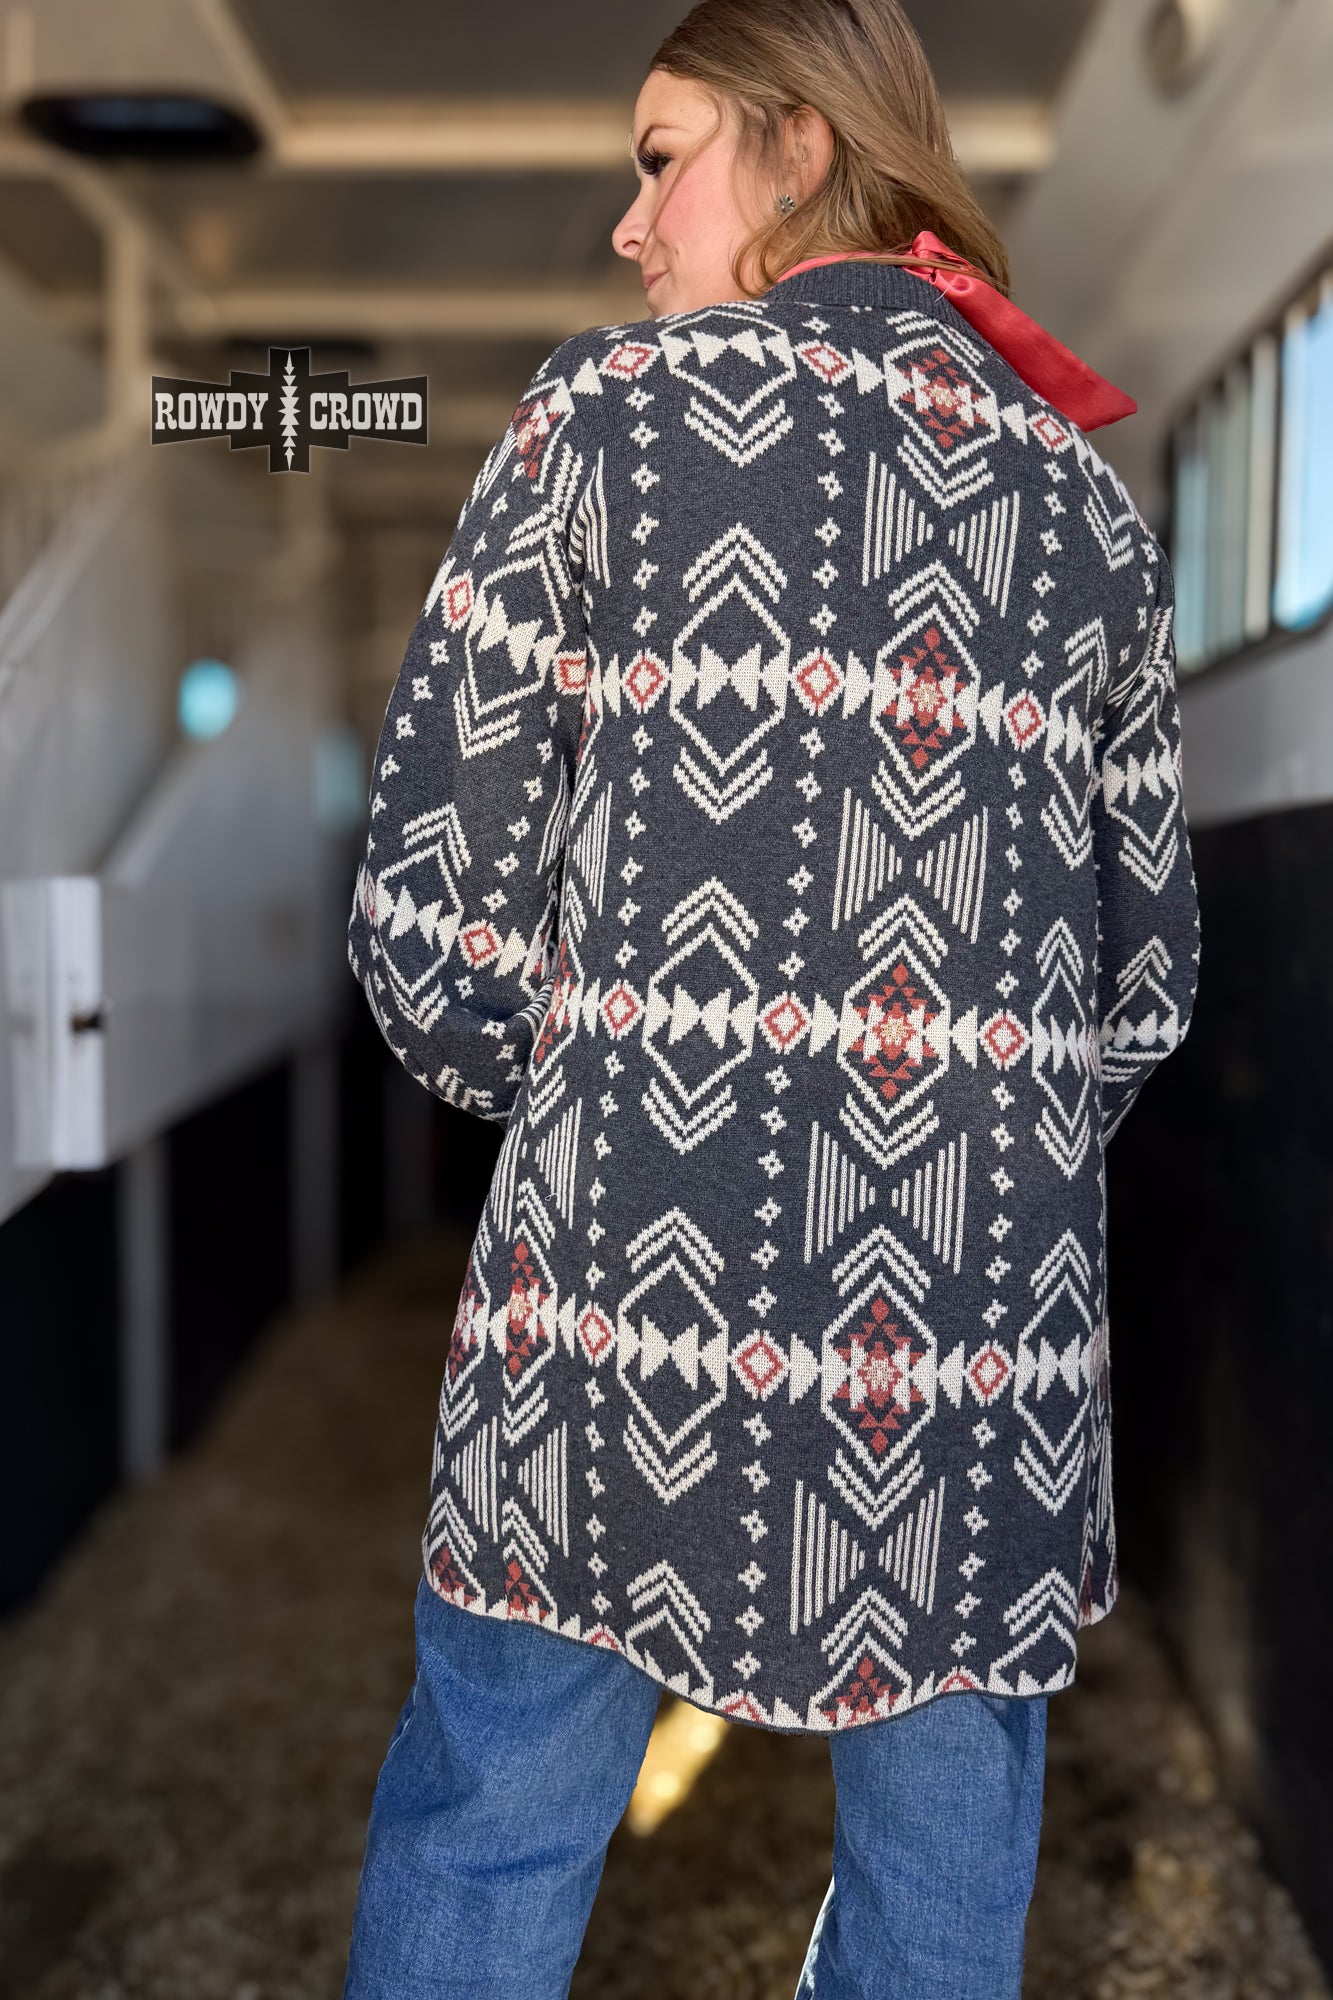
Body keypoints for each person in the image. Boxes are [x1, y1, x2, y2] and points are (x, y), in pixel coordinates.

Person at [341, 1, 1202, 1993]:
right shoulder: (1082, 503)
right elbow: (1144, 975)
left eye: (661, 158)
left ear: (804, 145)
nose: (628, 224)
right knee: (939, 1876)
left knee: (494, 1820)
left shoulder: (606, 423)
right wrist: (955, 1126)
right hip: (967, 1345)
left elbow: (432, 923)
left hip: (617, 1306)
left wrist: (611, 1091)